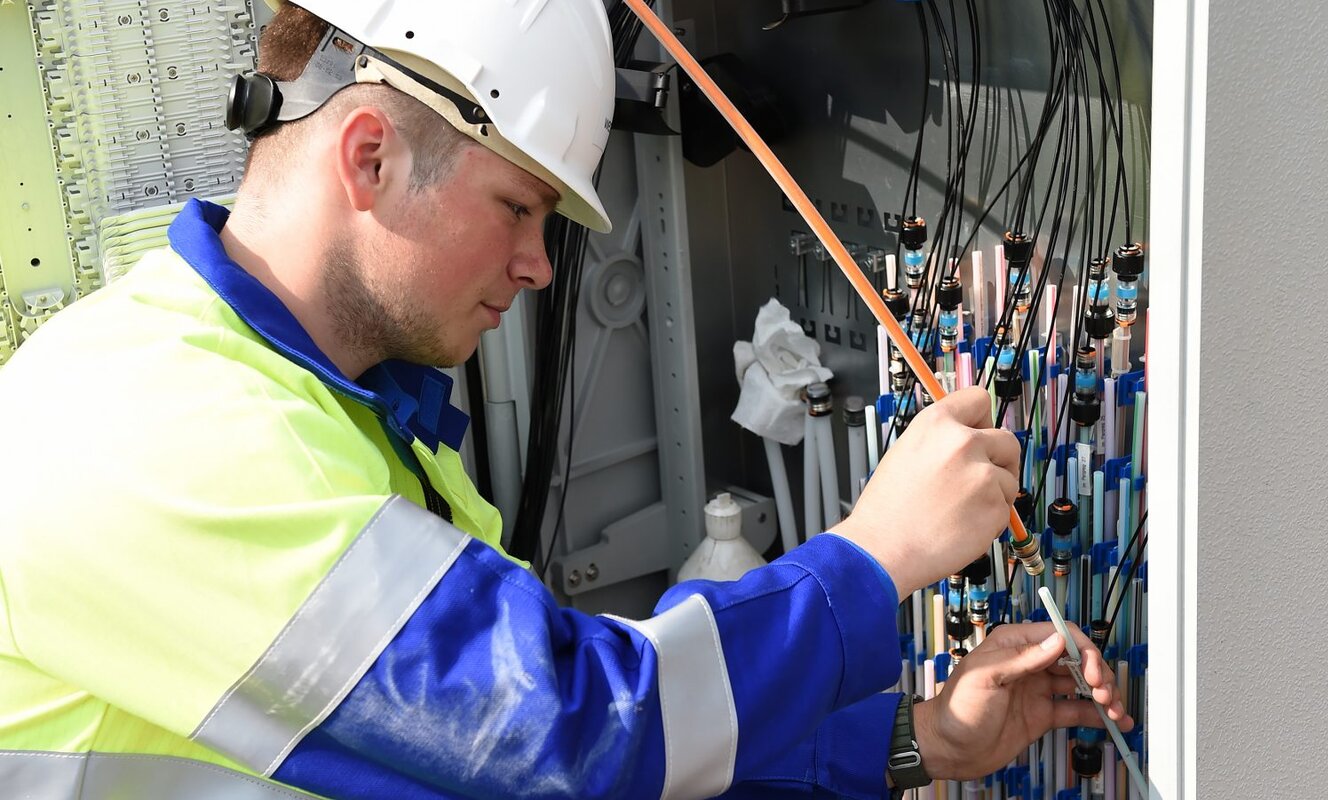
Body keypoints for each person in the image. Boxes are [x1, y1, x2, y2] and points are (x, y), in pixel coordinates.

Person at [0, 1, 1130, 798]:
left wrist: (918, 739)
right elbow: (565, 743)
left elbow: (520, 739)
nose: (540, 266)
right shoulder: (148, 425)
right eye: (518, 206)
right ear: (368, 157)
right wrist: (873, 555)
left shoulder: (349, 421)